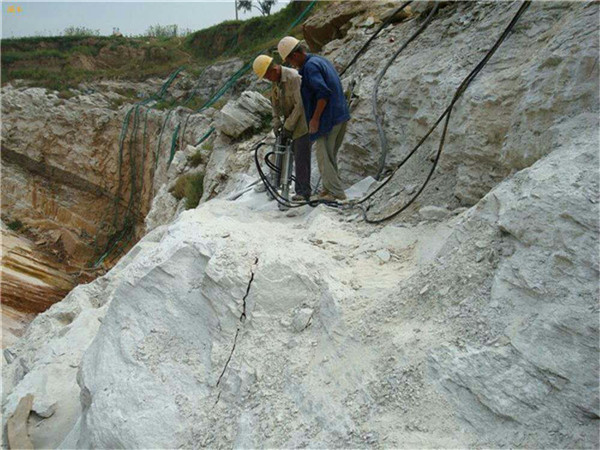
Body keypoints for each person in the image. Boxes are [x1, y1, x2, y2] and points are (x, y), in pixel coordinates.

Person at [277, 36, 350, 202]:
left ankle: (336, 193)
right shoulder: (318, 60)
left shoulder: (310, 67)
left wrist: (315, 119)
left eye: (289, 60)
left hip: (328, 118)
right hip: (339, 115)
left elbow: (323, 93)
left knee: (323, 156)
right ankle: (328, 189)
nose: (291, 65)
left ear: (295, 55)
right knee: (329, 156)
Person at [252, 54, 311, 201]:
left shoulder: (293, 78)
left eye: (267, 76)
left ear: (274, 69)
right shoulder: (276, 82)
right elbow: (275, 103)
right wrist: (276, 121)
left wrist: (289, 126)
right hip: (288, 122)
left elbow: (300, 105)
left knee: (301, 156)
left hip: (302, 123)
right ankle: (278, 184)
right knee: (282, 152)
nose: (267, 79)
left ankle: (303, 192)